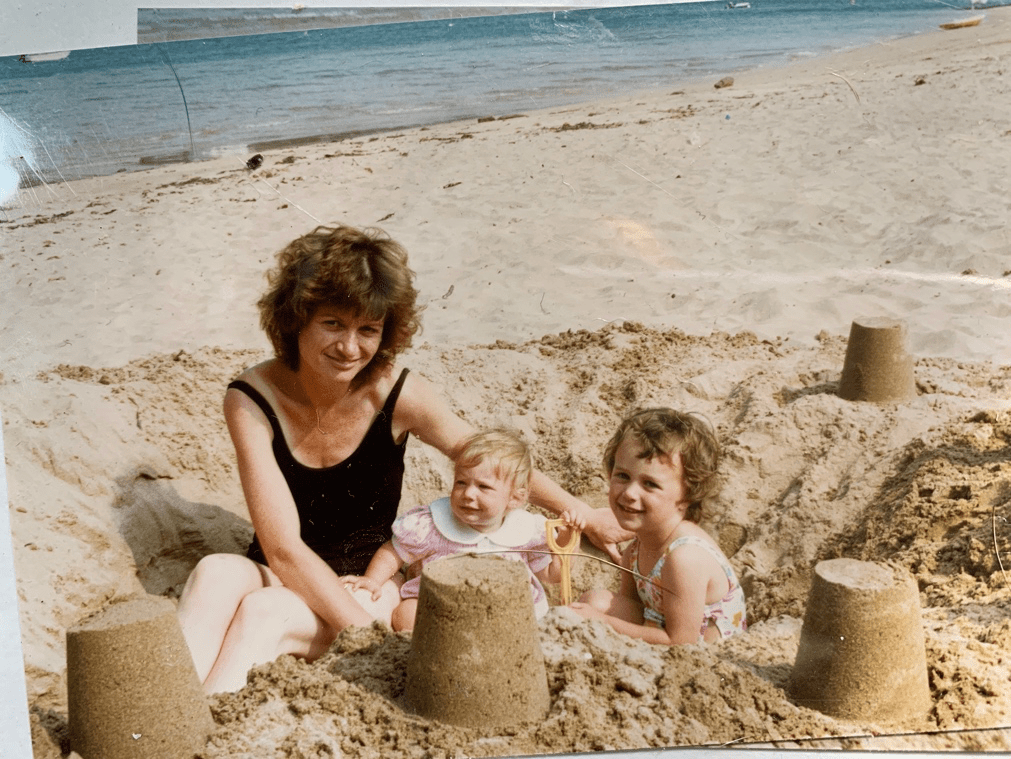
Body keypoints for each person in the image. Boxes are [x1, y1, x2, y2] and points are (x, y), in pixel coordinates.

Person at [176, 223, 625, 694]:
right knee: (213, 572)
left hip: (365, 585)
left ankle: (206, 722)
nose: (350, 348)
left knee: (262, 613)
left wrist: (580, 510)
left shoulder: (393, 391)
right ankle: (166, 716)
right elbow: (283, 549)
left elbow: (486, 458)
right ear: (296, 317)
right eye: (332, 323)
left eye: (368, 329)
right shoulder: (251, 398)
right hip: (280, 568)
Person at [344, 428, 583, 630]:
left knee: (527, 622)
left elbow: (552, 575)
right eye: (461, 482)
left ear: (515, 498)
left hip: (503, 614)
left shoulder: (524, 531)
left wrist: (566, 543)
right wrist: (373, 580)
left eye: (483, 487)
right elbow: (395, 551)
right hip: (439, 609)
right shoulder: (434, 525)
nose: (468, 493)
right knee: (406, 613)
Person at [570, 408, 747, 645]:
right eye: (622, 476)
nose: (630, 493)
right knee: (594, 602)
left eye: (650, 484)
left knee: (595, 615)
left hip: (702, 651)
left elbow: (681, 641)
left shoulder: (684, 559)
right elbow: (632, 608)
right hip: (660, 625)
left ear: (687, 497)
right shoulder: (635, 549)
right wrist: (596, 616)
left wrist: (602, 622)